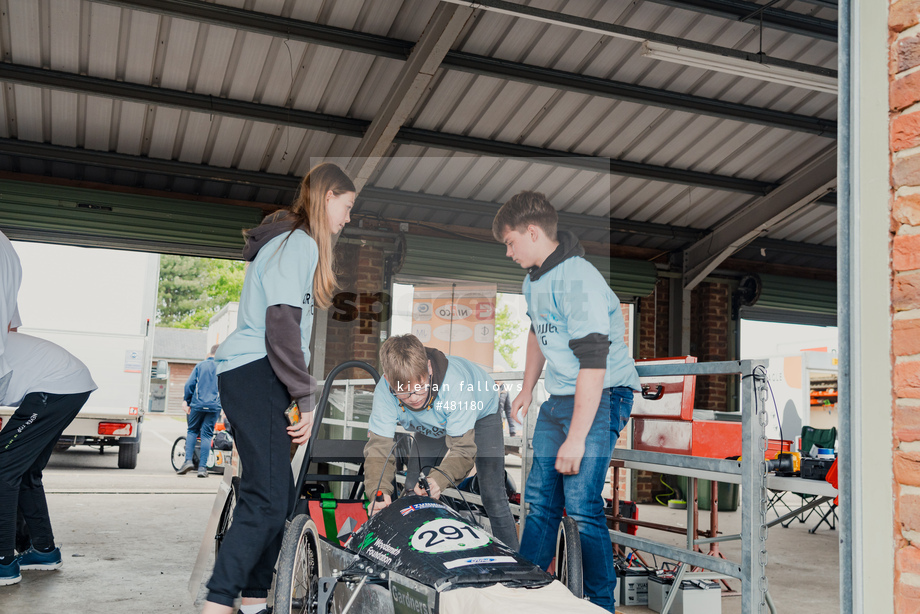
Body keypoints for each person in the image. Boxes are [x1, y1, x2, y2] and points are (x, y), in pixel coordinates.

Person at [201, 163, 354, 614]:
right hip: (255, 372)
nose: (347, 219)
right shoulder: (298, 243)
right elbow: (282, 326)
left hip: (255, 375)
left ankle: (252, 600)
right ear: (328, 198)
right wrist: (307, 398)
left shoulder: (291, 244)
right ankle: (218, 602)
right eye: (346, 208)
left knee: (275, 496)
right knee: (268, 500)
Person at [492, 191, 640, 613]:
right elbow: (538, 333)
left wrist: (577, 439)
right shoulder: (533, 279)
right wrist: (525, 388)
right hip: (560, 395)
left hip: (603, 392)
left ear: (533, 232)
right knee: (539, 501)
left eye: (510, 242)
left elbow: (594, 362)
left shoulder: (580, 280)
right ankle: (527, 591)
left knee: (580, 506)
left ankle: (599, 603)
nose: (508, 251)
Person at [0, 232, 98, 586]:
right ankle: (42, 551)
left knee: (3, 467)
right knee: (22, 470)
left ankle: (3, 562)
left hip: (56, 386)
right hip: (66, 383)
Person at [363, 334, 519, 550]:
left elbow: (463, 451)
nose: (415, 398)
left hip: (481, 412)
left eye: (420, 387)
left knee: (492, 494)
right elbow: (379, 449)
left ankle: (512, 558)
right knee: (412, 489)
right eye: (405, 394)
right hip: (430, 422)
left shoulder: (455, 385)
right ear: (389, 381)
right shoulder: (384, 391)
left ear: (428, 368)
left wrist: (438, 480)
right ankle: (412, 554)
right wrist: (378, 492)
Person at [177, 344, 223, 478]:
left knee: (192, 430)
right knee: (207, 435)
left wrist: (187, 400)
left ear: (210, 353)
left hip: (197, 404)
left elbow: (189, 385)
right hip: (214, 406)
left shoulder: (200, 365)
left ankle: (188, 461)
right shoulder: (222, 367)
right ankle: (202, 468)